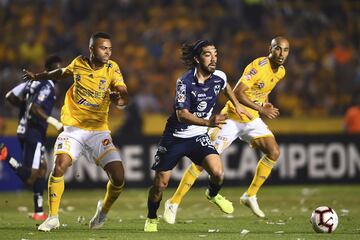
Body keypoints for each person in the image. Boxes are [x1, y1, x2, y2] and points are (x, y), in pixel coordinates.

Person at [163, 37, 290, 224]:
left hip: (252, 119)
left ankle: (250, 196)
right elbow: (238, 92)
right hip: (231, 119)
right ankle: (173, 202)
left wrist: (263, 103)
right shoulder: (258, 66)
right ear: (270, 49)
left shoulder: (280, 72)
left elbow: (261, 90)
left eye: (285, 50)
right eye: (278, 49)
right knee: (201, 161)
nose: (281, 54)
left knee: (274, 152)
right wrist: (262, 109)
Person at [22, 32, 129, 232]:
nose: (107, 52)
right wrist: (38, 76)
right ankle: (53, 217)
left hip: (98, 131)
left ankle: (102, 212)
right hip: (73, 129)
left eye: (110, 48)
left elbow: (123, 95)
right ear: (91, 49)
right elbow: (61, 73)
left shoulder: (112, 68)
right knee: (60, 166)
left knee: (119, 177)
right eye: (103, 48)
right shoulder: (79, 63)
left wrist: (119, 100)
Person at [144, 40, 252, 232]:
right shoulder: (184, 82)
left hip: (198, 137)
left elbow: (226, 87)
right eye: (208, 54)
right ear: (197, 58)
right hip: (176, 136)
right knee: (161, 183)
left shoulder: (218, 76)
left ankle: (212, 194)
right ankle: (152, 217)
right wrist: (208, 123)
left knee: (218, 173)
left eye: (215, 54)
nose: (214, 59)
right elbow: (181, 115)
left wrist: (237, 104)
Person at [0, 55, 63, 221]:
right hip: (33, 131)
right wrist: (55, 123)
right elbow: (35, 108)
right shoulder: (47, 86)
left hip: (24, 128)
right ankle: (5, 155)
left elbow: (9, 96)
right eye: (57, 70)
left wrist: (24, 106)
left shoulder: (32, 81)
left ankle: (39, 212)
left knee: (42, 168)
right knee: (31, 176)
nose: (60, 73)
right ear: (49, 70)